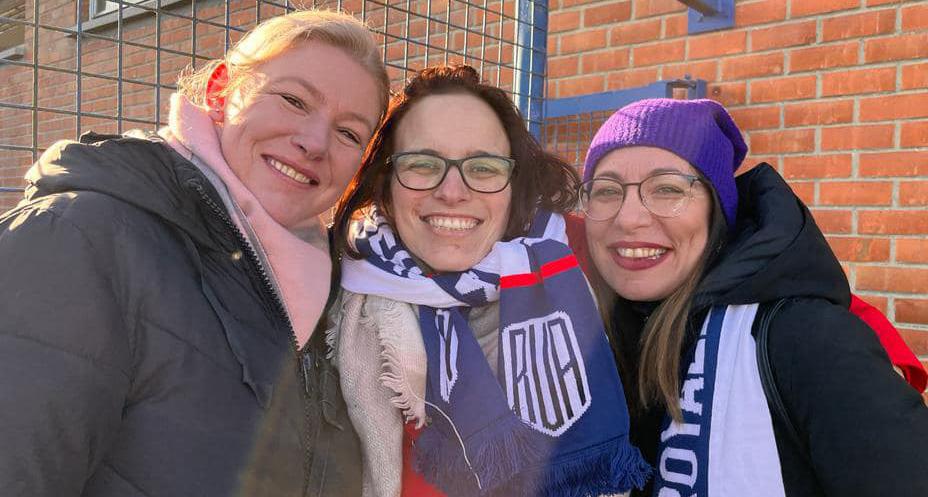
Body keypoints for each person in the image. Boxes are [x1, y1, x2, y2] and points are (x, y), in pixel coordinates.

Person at [0, 10, 388, 497]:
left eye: (349, 133)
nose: (314, 143)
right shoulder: (79, 239)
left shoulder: (336, 294)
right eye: (293, 100)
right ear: (221, 90)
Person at [327, 65, 650, 497]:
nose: (452, 191)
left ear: (515, 186)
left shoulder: (583, 257)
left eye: (483, 167)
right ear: (385, 186)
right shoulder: (329, 280)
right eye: (422, 164)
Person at [579, 98, 928, 497]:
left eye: (667, 189)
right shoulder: (579, 341)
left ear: (717, 212)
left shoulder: (802, 338)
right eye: (606, 191)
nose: (628, 218)